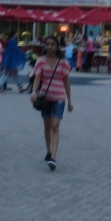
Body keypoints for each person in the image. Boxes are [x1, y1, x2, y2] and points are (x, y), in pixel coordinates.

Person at [31, 36, 73, 170]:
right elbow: (37, 79)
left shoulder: (63, 62)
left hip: (59, 97)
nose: (49, 46)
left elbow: (66, 81)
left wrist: (70, 100)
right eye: (47, 44)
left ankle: (53, 157)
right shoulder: (40, 61)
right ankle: (48, 151)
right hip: (45, 96)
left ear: (57, 47)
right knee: (47, 125)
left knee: (55, 126)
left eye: (52, 44)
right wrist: (33, 92)